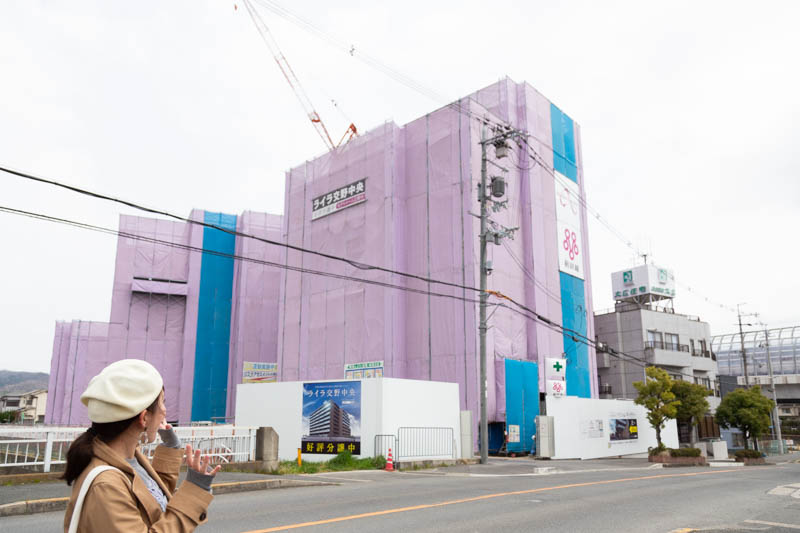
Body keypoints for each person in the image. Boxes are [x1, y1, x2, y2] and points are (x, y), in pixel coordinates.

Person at [62, 359, 220, 532]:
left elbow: (150, 503)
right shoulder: (106, 485)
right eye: (162, 402)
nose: (164, 411)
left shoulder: (128, 459)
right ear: (144, 418)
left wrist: (171, 448)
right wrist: (194, 491)